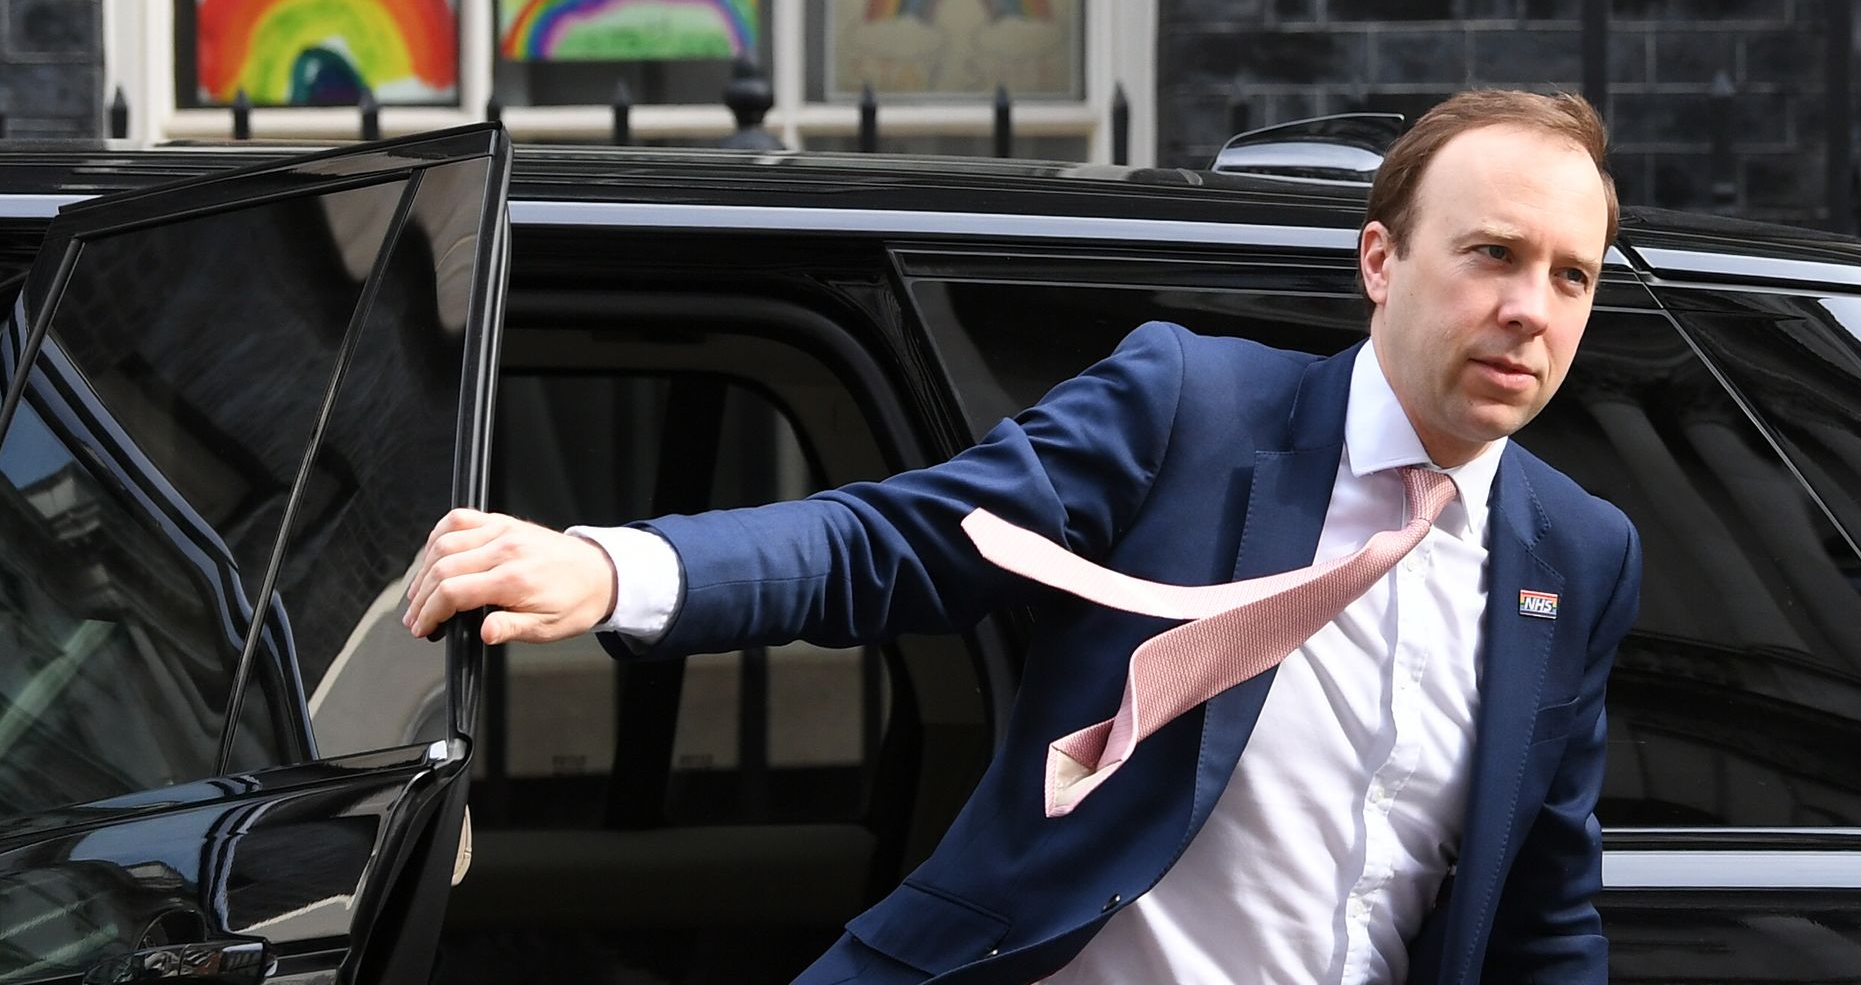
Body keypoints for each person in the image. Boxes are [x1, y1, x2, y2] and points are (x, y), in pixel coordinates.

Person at [404, 89, 1640, 985]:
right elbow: (897, 543)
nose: (1528, 308)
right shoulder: (1194, 406)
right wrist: (617, 567)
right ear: (1381, 259)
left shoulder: (1575, 553)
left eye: (1571, 276)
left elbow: (1541, 910)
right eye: (1492, 254)